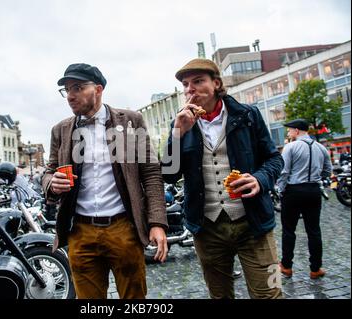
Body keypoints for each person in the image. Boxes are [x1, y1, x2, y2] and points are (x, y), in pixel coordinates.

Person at [42, 63, 168, 299]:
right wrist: (51, 182)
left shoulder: (131, 120)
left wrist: (157, 223)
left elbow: (151, 173)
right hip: (80, 232)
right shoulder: (60, 130)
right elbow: (49, 171)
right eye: (67, 90)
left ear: (98, 89)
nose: (70, 96)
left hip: (124, 228)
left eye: (77, 88)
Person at [162, 58, 284, 299]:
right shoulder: (180, 123)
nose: (190, 89)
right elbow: (169, 173)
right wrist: (177, 134)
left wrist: (259, 179)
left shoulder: (248, 115)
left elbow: (274, 159)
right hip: (207, 228)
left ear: (216, 83)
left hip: (254, 224)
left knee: (270, 293)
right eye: (186, 84)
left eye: (198, 81)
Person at [277, 119, 332, 280]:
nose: (288, 133)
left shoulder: (290, 147)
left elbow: (284, 171)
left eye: (289, 130)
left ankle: (286, 266)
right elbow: (327, 171)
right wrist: (316, 178)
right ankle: (315, 269)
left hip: (293, 191)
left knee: (288, 230)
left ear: (296, 130)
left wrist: (281, 189)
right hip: (313, 190)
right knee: (314, 230)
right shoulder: (321, 147)